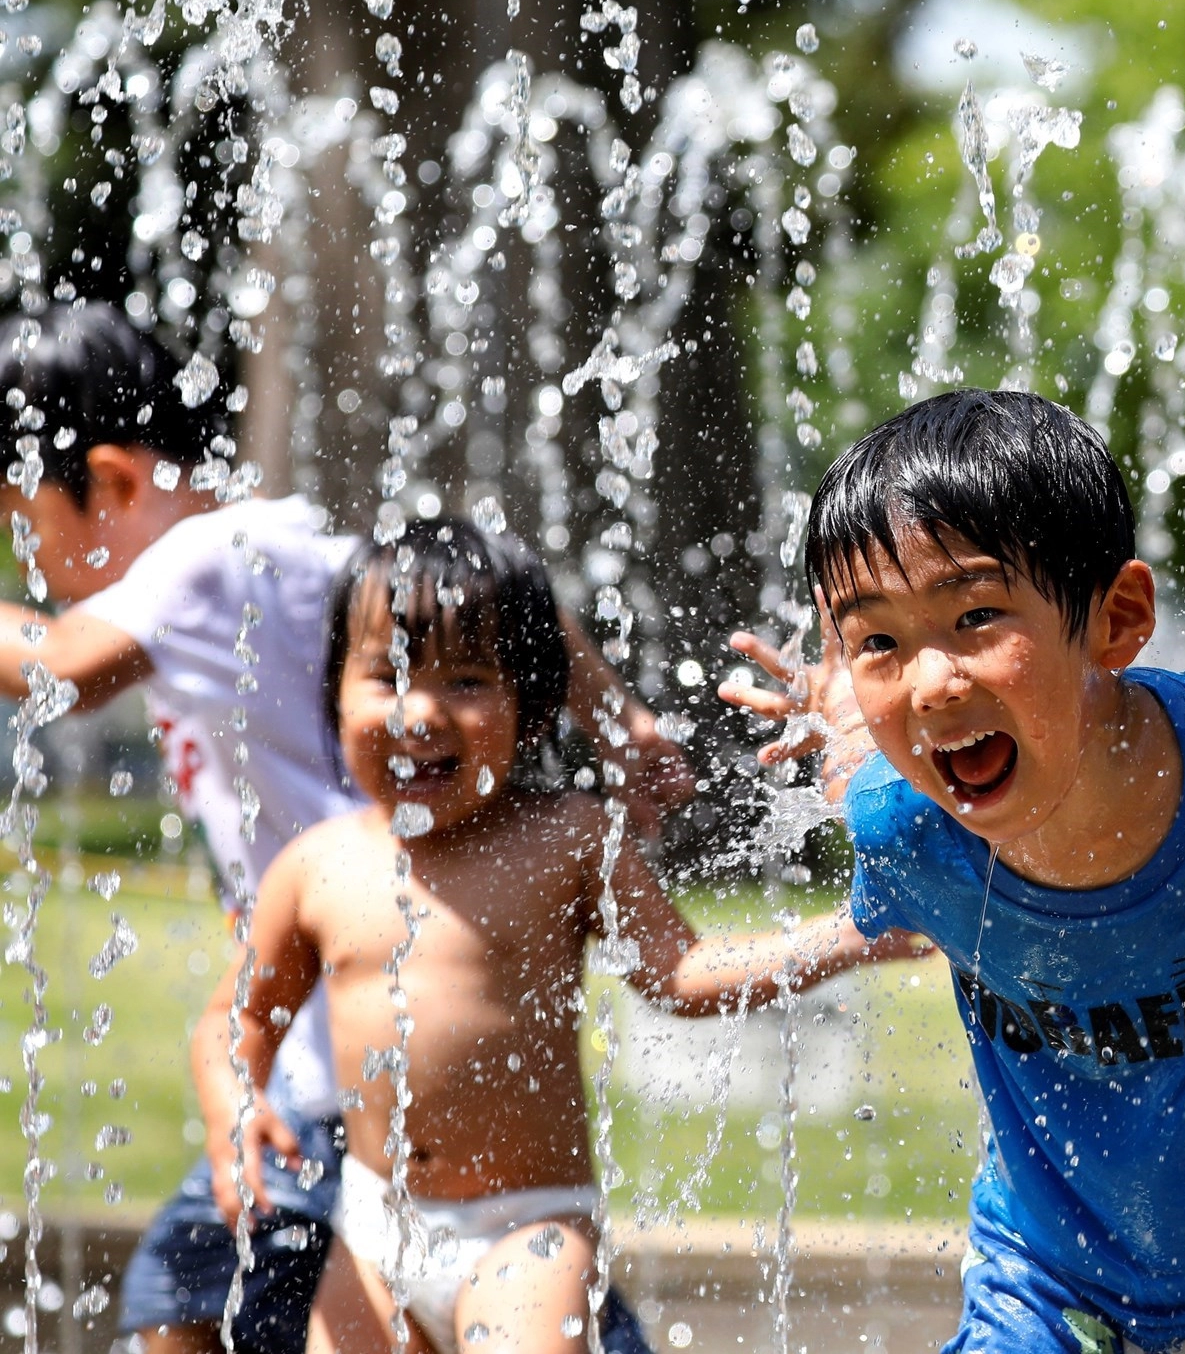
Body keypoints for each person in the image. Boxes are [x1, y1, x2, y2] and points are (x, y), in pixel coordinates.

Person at [0, 302, 693, 1354]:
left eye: (21, 523)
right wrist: (619, 721)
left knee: (185, 1300)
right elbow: (505, 604)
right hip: (352, 1018)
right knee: (225, 1293)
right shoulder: (277, 536)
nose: (29, 565)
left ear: (117, 482)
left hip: (347, 1040)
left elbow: (54, 670)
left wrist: (615, 729)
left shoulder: (201, 559)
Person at [720, 388, 1185, 1354]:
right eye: (879, 641)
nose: (933, 684)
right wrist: (847, 717)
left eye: (976, 615)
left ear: (1118, 619)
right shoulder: (909, 832)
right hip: (1053, 1278)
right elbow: (867, 785)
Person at [191, 517, 916, 1354]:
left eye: (465, 680)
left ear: (531, 710)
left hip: (526, 1228)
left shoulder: (567, 837)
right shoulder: (314, 866)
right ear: (334, 692)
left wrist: (848, 934)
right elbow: (235, 1017)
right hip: (372, 1226)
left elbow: (680, 971)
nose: (420, 711)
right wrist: (232, 1108)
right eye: (385, 677)